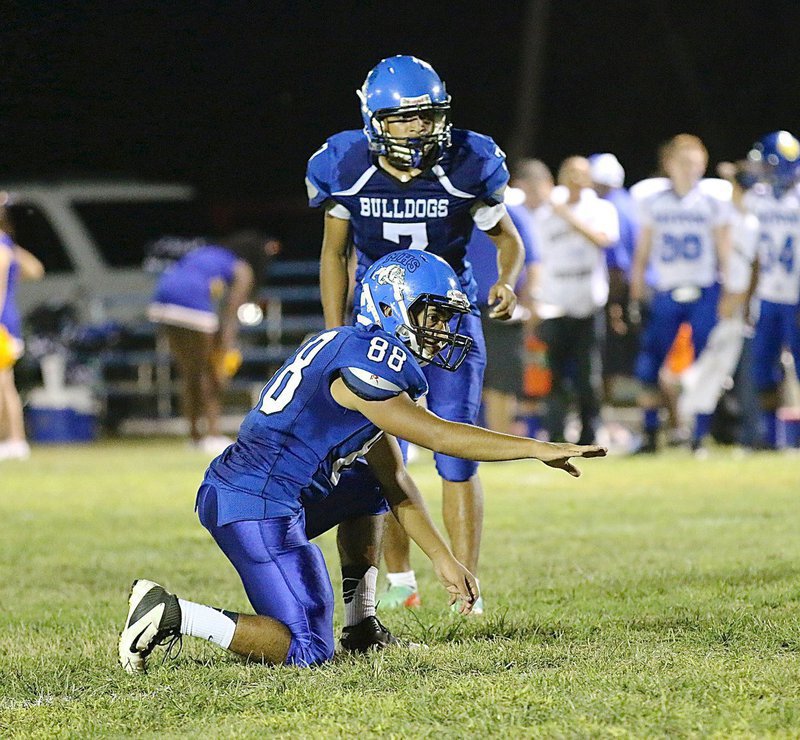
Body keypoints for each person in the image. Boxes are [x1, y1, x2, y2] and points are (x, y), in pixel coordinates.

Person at [118, 251, 606, 672]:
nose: (440, 330)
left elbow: (393, 480)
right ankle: (174, 613)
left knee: (368, 485)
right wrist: (536, 447)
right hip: (256, 502)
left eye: (445, 318)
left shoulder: (358, 348)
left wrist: (442, 557)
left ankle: (362, 624)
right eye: (431, 316)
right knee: (307, 651)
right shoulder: (370, 361)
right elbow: (439, 435)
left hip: (273, 490)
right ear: (393, 309)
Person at [306, 55, 525, 615]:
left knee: (456, 450)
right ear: (376, 119)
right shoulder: (345, 162)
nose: (422, 130)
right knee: (381, 455)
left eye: (429, 117)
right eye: (407, 120)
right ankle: (400, 580)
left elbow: (509, 240)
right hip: (378, 318)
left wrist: (507, 281)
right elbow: (335, 252)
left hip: (448, 317)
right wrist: (337, 332)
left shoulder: (468, 160)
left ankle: (468, 589)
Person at [629, 134, 732, 453]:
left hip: (703, 290)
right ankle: (649, 435)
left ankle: (698, 437)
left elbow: (722, 249)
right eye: (684, 162)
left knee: (703, 365)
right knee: (650, 363)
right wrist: (636, 289)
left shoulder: (712, 200)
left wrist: (728, 287)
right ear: (669, 164)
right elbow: (643, 249)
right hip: (666, 289)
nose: (690, 169)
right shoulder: (653, 200)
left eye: (696, 163)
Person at [147, 230, 281, 455]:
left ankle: (194, 437)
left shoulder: (206, 252)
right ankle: (213, 435)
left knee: (189, 373)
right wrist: (225, 350)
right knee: (210, 373)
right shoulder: (243, 268)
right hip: (192, 302)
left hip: (163, 296)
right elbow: (230, 317)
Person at [528, 156, 619, 445]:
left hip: (587, 300)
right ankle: (555, 434)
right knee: (552, 375)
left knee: (587, 377)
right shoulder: (545, 213)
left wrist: (566, 214)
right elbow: (536, 257)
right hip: (554, 300)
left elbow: (603, 239)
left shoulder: (600, 208)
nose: (575, 179)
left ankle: (589, 434)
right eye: (569, 173)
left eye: (581, 173)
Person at [678, 161, 759, 450]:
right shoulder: (722, 209)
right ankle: (697, 436)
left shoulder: (750, 221)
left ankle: (747, 436)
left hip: (738, 304)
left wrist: (739, 298)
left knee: (731, 372)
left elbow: (754, 267)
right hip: (716, 297)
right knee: (707, 369)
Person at [743, 131, 800, 449]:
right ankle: (767, 436)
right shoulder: (757, 198)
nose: (762, 170)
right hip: (766, 294)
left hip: (795, 295)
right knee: (762, 368)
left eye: (767, 164)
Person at [466, 199, 538, 434]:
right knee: (461, 378)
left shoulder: (510, 213)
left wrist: (529, 303)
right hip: (458, 305)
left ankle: (499, 439)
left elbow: (532, 261)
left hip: (498, 305)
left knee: (500, 380)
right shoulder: (452, 209)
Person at [588, 153, 641, 403]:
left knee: (609, 358)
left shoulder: (609, 208)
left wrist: (614, 305)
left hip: (622, 291)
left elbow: (617, 266)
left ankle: (608, 413)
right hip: (641, 288)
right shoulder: (630, 202)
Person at [0, 196, 44, 461]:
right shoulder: (7, 245)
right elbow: (35, 269)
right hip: (7, 322)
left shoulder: (2, 248)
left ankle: (16, 440)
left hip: (2, 325)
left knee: (4, 384)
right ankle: (10, 439)